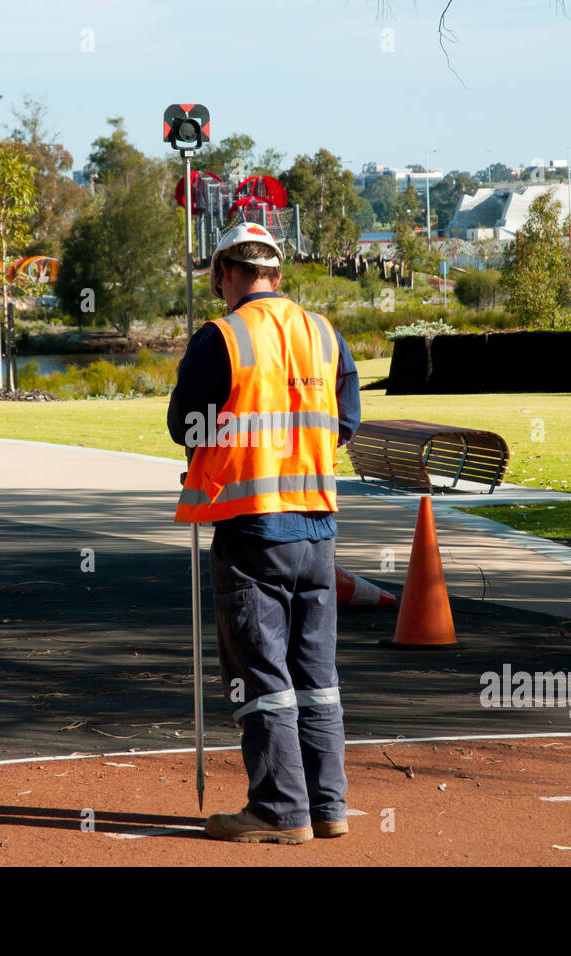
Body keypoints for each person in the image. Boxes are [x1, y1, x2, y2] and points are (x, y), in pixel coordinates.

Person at [168, 222, 361, 844]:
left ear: (227, 271)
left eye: (217, 275)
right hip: (318, 527)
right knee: (316, 674)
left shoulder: (221, 336)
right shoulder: (323, 333)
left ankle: (280, 810)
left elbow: (185, 426)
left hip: (252, 529)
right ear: (276, 272)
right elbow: (346, 421)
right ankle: (327, 806)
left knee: (263, 675)